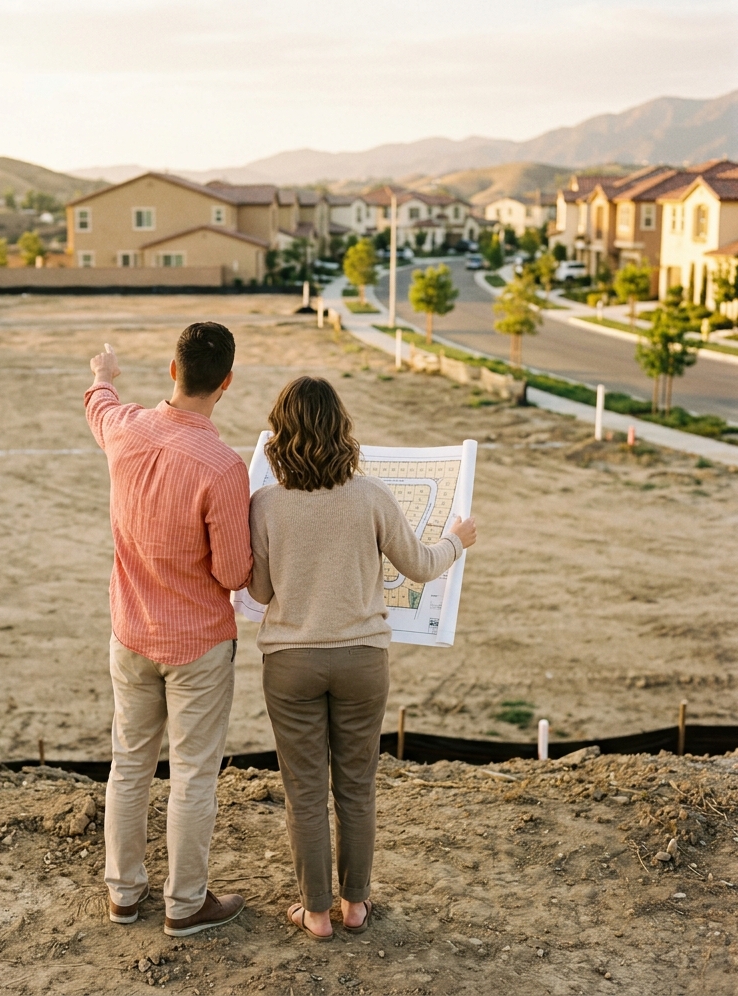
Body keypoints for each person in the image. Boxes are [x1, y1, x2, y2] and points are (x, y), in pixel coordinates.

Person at [247, 376, 477, 941]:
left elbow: (257, 592)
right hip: (363, 661)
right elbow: (421, 566)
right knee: (356, 786)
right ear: (341, 430)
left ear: (282, 435)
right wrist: (458, 540)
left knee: (304, 791)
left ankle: (316, 913)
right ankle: (355, 905)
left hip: (291, 663)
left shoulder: (265, 504)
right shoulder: (372, 496)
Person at [84, 323, 253, 938]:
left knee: (129, 766)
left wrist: (103, 376)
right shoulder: (225, 467)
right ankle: (186, 905)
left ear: (173, 369)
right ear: (227, 382)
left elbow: (99, 406)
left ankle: (123, 895)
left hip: (129, 632)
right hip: (199, 644)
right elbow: (234, 571)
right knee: (192, 774)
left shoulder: (124, 428)